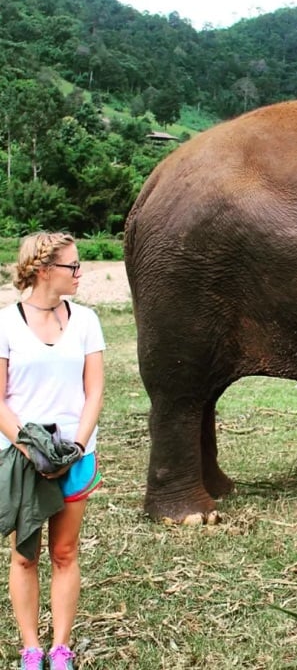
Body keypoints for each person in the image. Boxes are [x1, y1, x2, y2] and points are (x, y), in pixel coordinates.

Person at [0, 232, 105, 670]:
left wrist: (75, 446)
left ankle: (60, 648)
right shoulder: (5, 323)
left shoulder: (86, 321)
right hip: (21, 458)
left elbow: (95, 389)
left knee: (65, 553)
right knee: (25, 556)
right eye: (73, 266)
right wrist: (31, 451)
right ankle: (30, 647)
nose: (80, 273)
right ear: (44, 270)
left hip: (75, 457)